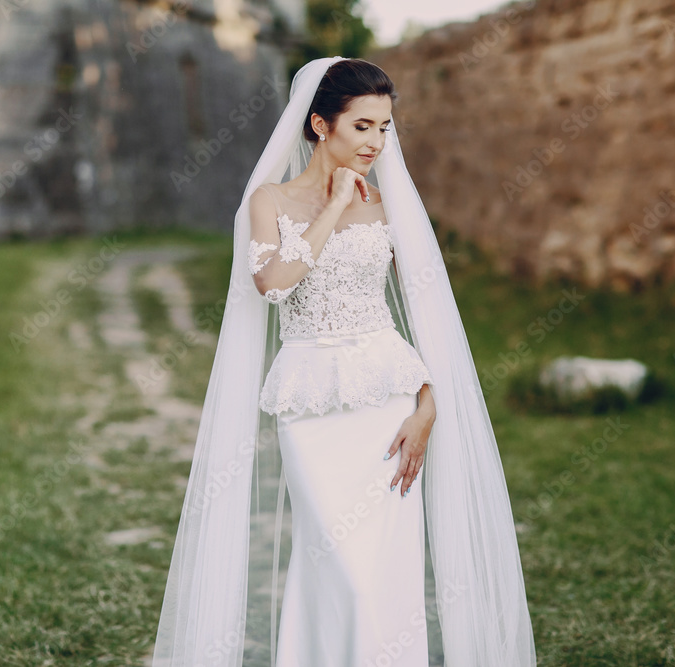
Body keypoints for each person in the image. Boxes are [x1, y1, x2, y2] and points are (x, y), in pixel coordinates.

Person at [152, 57, 537, 667]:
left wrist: (428, 405)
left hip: (389, 401)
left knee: (387, 577)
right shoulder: (269, 200)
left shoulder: (391, 207)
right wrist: (333, 206)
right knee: (336, 565)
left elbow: (430, 318)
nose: (377, 142)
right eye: (362, 126)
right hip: (312, 404)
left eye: (385, 128)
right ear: (318, 125)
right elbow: (273, 283)